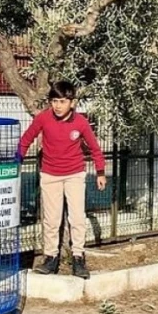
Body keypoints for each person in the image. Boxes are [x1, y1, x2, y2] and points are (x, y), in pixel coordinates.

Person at [16, 81, 107, 279]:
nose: (57, 105)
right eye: (54, 101)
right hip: (50, 175)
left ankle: (78, 258)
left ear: (72, 103)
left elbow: (94, 148)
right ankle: (50, 258)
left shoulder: (81, 122)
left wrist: (100, 172)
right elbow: (27, 138)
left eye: (62, 101)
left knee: (76, 218)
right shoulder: (43, 118)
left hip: (74, 175)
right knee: (51, 220)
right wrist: (18, 160)